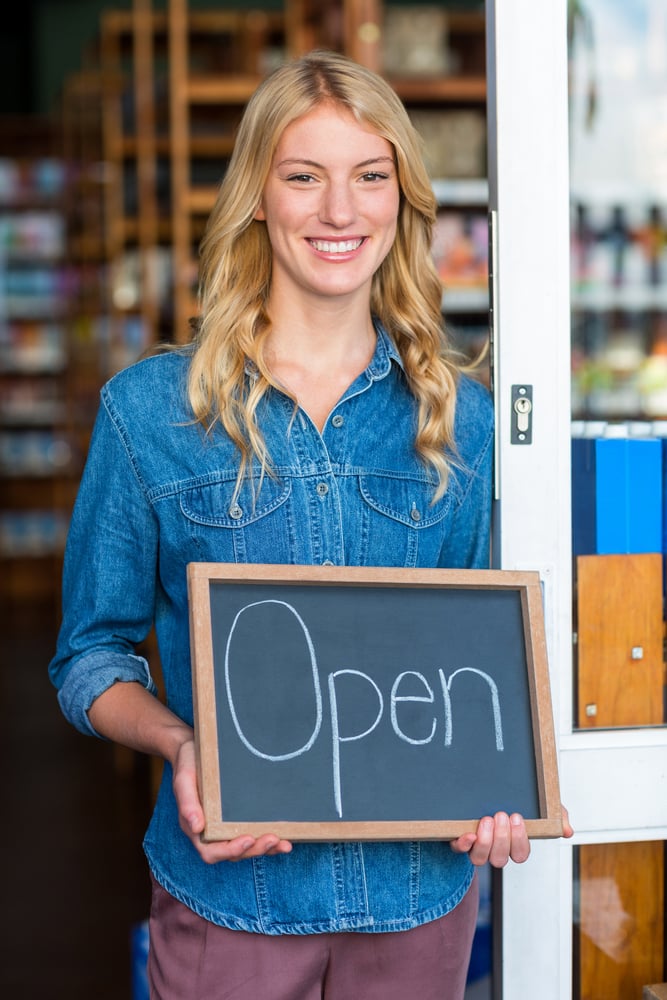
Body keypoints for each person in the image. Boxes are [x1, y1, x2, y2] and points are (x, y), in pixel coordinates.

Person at [49, 49, 572, 1000]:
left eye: (370, 177)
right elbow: (90, 657)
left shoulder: (465, 420)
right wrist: (182, 745)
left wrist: (508, 784)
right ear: (257, 195)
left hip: (419, 900)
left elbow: (492, 659)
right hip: (231, 895)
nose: (341, 211)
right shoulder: (151, 413)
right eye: (305, 177)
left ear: (401, 200)